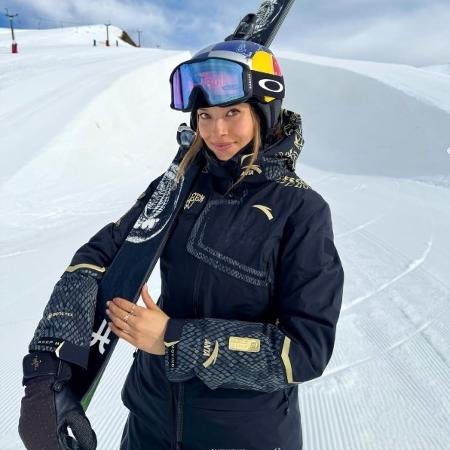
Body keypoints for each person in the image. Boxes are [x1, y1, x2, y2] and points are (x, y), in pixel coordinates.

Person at [18, 40, 344, 450]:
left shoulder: (300, 208)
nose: (216, 131)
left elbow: (305, 350)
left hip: (241, 435)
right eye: (205, 116)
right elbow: (99, 257)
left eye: (232, 113)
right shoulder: (177, 186)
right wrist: (46, 371)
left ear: (264, 111)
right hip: (149, 422)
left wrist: (177, 339)